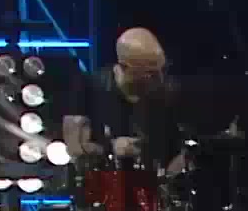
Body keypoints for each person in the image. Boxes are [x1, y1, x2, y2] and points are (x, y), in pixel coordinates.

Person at [62, 27, 188, 174]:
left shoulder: (167, 92)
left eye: (162, 70)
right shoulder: (89, 88)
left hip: (154, 184)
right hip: (104, 183)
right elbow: (74, 148)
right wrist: (110, 148)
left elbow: (180, 149)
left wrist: (176, 168)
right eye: (150, 73)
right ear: (124, 67)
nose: (159, 79)